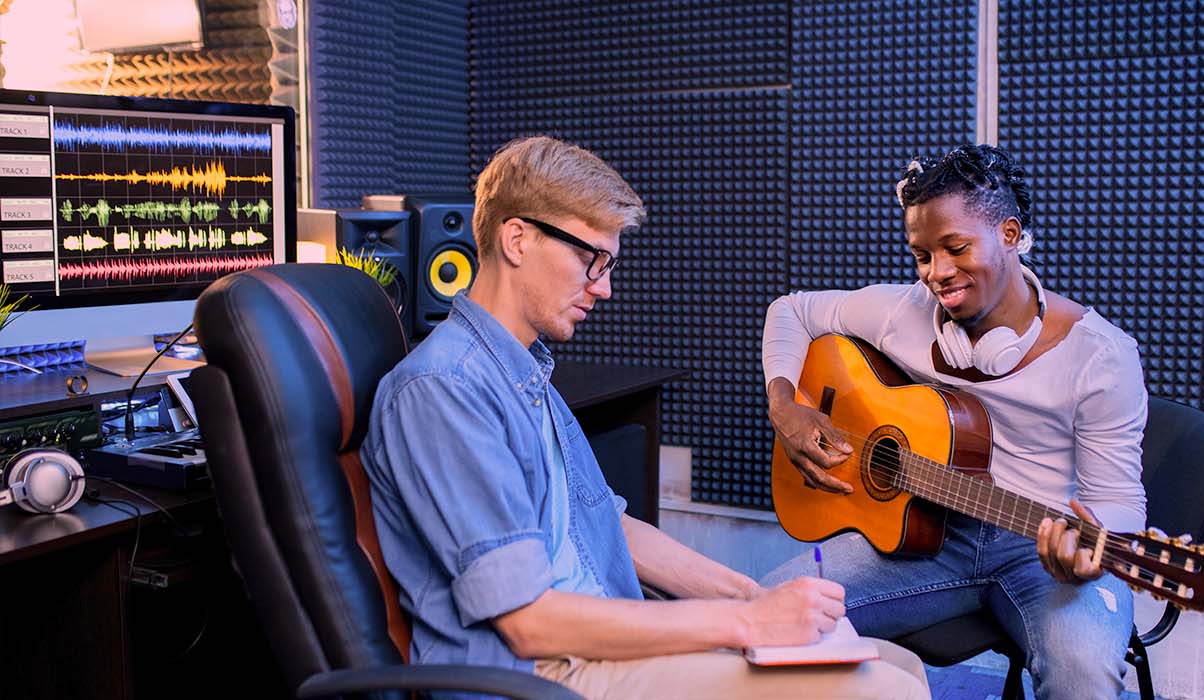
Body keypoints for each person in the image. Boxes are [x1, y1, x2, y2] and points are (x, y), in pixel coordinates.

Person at [362, 135, 929, 699]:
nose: (604, 288)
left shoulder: (524, 375)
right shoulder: (445, 390)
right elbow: (527, 622)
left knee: (897, 665)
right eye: (592, 259)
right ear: (517, 239)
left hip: (594, 649)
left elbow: (611, 526)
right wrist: (745, 623)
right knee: (880, 691)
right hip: (537, 676)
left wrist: (750, 596)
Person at [761, 144, 1147, 700]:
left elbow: (1119, 501)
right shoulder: (902, 312)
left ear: (1010, 234)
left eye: (956, 248)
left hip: (1042, 546)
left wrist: (1090, 549)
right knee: (764, 614)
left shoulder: (1100, 356)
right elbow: (791, 310)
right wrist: (785, 406)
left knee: (1082, 675)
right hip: (925, 533)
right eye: (921, 255)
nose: (936, 274)